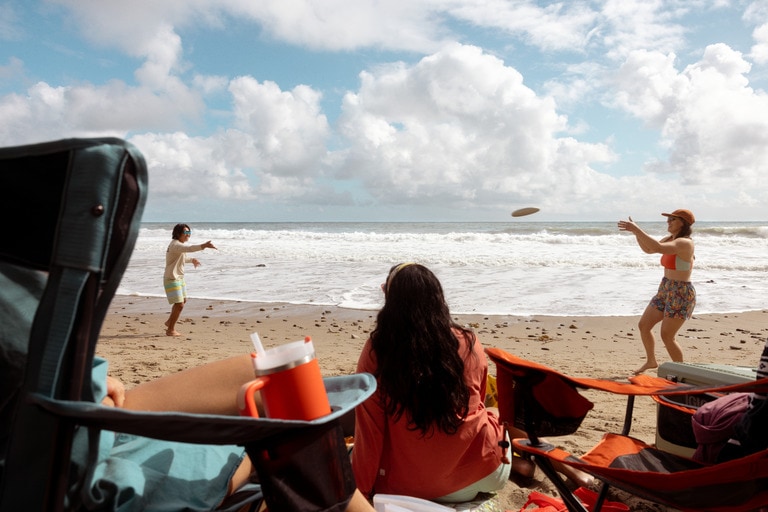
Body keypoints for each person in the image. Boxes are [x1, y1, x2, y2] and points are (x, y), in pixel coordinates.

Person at [98, 353, 377, 512]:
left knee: (257, 376)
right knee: (278, 399)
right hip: (98, 454)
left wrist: (94, 384)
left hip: (85, 424)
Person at [352, 263, 514, 503]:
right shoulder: (468, 342)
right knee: (492, 411)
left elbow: (370, 432)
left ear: (391, 301)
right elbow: (475, 406)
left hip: (405, 488)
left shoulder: (379, 351)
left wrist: (362, 494)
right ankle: (518, 466)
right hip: (479, 476)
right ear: (438, 298)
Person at [618, 209, 696, 375]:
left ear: (683, 223)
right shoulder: (670, 239)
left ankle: (681, 372)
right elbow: (649, 249)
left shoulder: (685, 243)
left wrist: (637, 229)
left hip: (680, 293)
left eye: (672, 220)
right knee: (644, 325)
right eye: (668, 220)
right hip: (665, 288)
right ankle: (651, 361)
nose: (668, 222)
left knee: (667, 336)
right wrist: (636, 234)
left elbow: (657, 247)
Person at [163, 223, 216, 336]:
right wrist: (204, 246)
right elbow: (190, 248)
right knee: (180, 304)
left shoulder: (178, 246)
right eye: (186, 233)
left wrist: (192, 260)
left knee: (183, 301)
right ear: (178, 233)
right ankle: (170, 330)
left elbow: (181, 258)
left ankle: (169, 322)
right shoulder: (175, 245)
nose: (188, 235)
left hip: (179, 278)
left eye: (189, 233)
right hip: (172, 278)